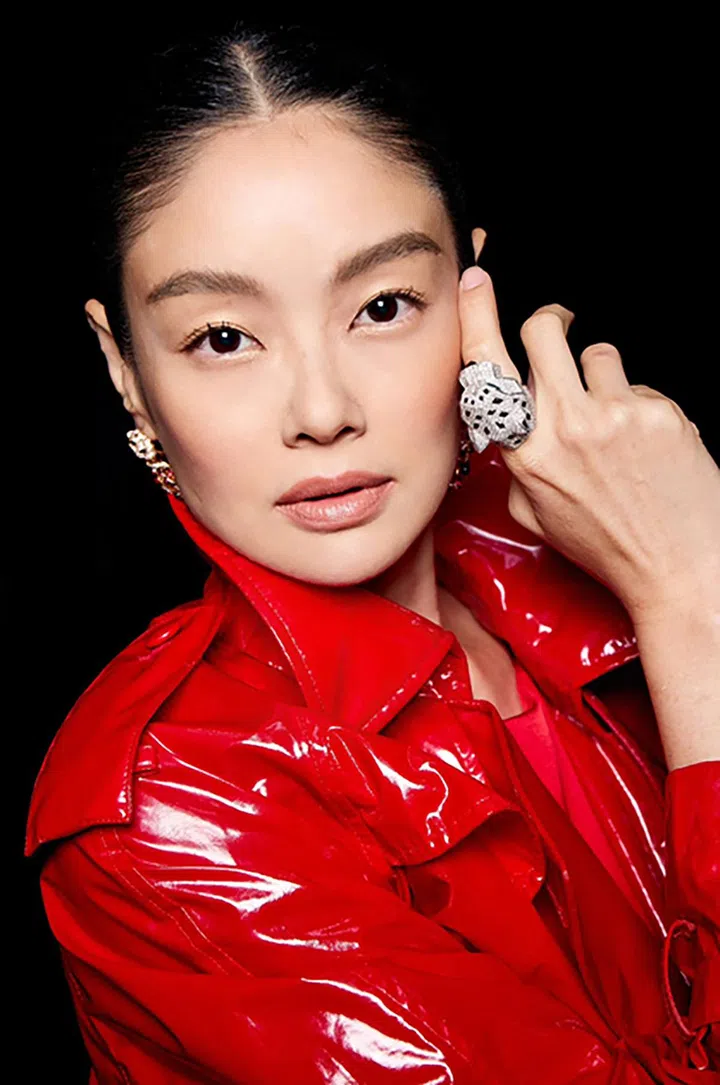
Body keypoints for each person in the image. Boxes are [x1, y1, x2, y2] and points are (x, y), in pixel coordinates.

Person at [26, 23, 719, 1084]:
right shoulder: (173, 810)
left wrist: (679, 582)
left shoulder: (590, 559)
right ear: (126, 369)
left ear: (471, 299)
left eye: (383, 306)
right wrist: (693, 593)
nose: (322, 410)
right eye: (223, 337)